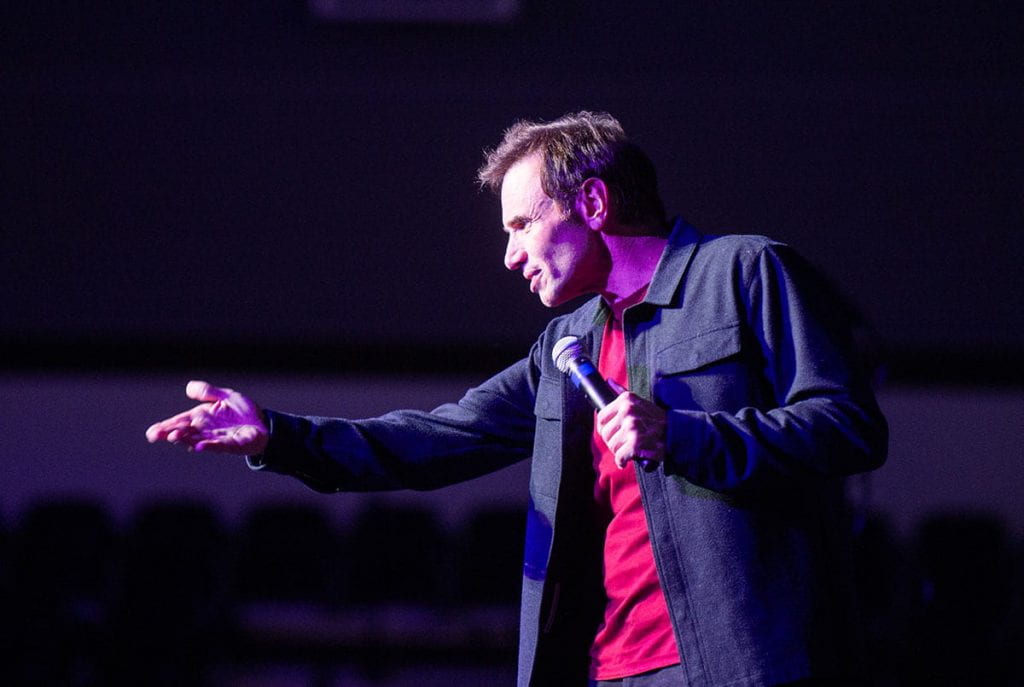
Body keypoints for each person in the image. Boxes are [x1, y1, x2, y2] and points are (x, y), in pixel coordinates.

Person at [146, 111, 888, 687]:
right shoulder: (566, 343)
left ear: (593, 201)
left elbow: (848, 424)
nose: (509, 254)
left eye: (523, 223)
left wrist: (687, 434)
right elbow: (438, 437)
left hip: (748, 664)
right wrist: (275, 435)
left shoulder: (744, 270)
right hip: (610, 667)